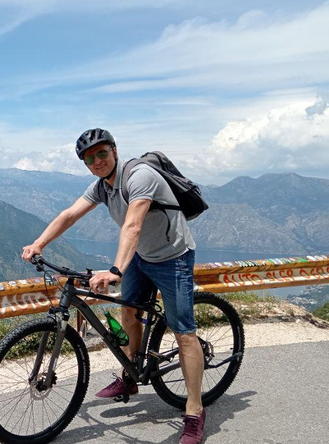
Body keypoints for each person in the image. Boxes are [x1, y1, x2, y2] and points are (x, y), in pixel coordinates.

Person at [21, 128, 206, 444]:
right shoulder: (101, 187)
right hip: (141, 256)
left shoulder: (140, 176)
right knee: (128, 314)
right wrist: (39, 243)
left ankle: (194, 410)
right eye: (90, 158)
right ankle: (130, 376)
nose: (97, 161)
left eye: (102, 153)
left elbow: (133, 226)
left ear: (115, 151)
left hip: (172, 257)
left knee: (184, 334)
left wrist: (116, 269)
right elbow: (69, 215)